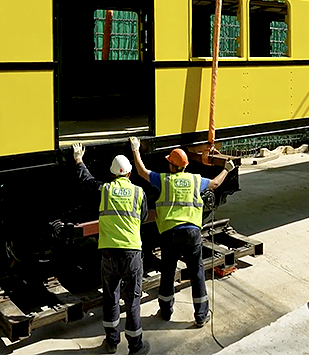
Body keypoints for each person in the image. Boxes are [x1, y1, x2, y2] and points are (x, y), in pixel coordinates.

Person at [129, 137, 234, 328]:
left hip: (170, 233)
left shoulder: (164, 179)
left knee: (168, 271)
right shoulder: (195, 180)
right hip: (192, 233)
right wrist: (227, 169)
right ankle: (201, 316)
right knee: (197, 272)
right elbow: (215, 184)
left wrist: (135, 150)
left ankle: (166, 311)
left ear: (171, 165)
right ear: (185, 166)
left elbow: (141, 172)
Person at [72, 142, 151, 355]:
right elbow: (143, 217)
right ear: (130, 173)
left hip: (109, 253)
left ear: (112, 173)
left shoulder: (105, 190)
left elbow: (87, 181)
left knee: (111, 298)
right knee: (133, 301)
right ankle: (136, 347)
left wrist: (79, 160)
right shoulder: (139, 193)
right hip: (132, 253)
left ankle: (112, 342)